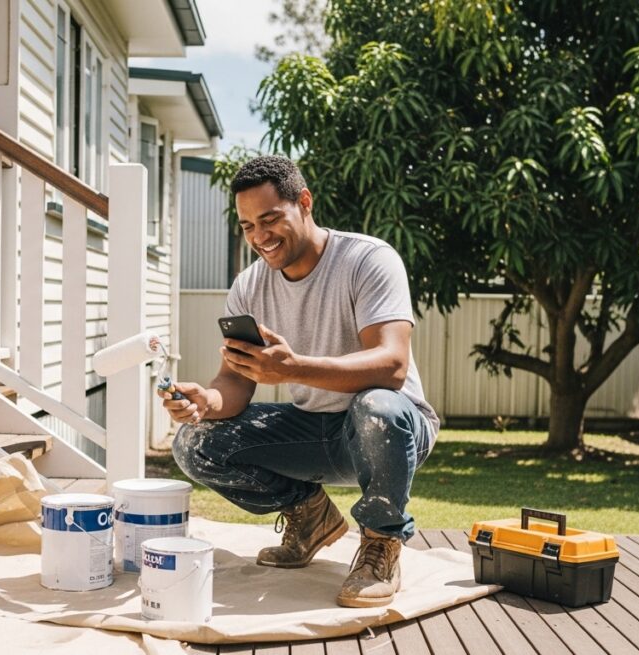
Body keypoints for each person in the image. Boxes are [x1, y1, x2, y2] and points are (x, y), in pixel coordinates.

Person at [160, 155, 440, 608]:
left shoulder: (368, 259)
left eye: (270, 219)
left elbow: (392, 367)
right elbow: (234, 383)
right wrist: (206, 401)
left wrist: (291, 369)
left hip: (391, 428)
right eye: (248, 226)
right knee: (194, 443)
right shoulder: (249, 286)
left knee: (377, 407)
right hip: (315, 429)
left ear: (304, 202)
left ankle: (380, 543)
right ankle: (309, 515)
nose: (260, 237)